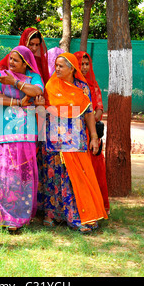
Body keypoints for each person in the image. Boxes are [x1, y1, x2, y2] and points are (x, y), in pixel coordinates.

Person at [42, 52, 108, 233]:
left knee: (76, 177)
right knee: (54, 175)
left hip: (76, 139)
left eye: (61, 66)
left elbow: (88, 114)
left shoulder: (82, 88)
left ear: (72, 68)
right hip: (54, 139)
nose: (57, 69)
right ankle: (53, 214)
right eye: (56, 65)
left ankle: (78, 216)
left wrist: (94, 137)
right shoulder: (50, 86)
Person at [0, 45, 44, 231]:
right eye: (11, 59)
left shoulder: (33, 77)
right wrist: (19, 101)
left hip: (26, 133)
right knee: (7, 174)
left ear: (26, 63)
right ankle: (6, 216)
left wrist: (15, 83)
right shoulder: (1, 75)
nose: (11, 62)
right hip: (6, 133)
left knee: (24, 173)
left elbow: (36, 92)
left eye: (16, 60)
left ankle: (22, 216)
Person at [74, 51, 109, 214]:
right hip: (74, 133)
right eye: (81, 63)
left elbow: (99, 109)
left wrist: (90, 121)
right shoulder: (72, 85)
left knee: (95, 169)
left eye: (87, 64)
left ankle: (98, 206)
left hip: (91, 134)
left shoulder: (93, 86)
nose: (84, 67)